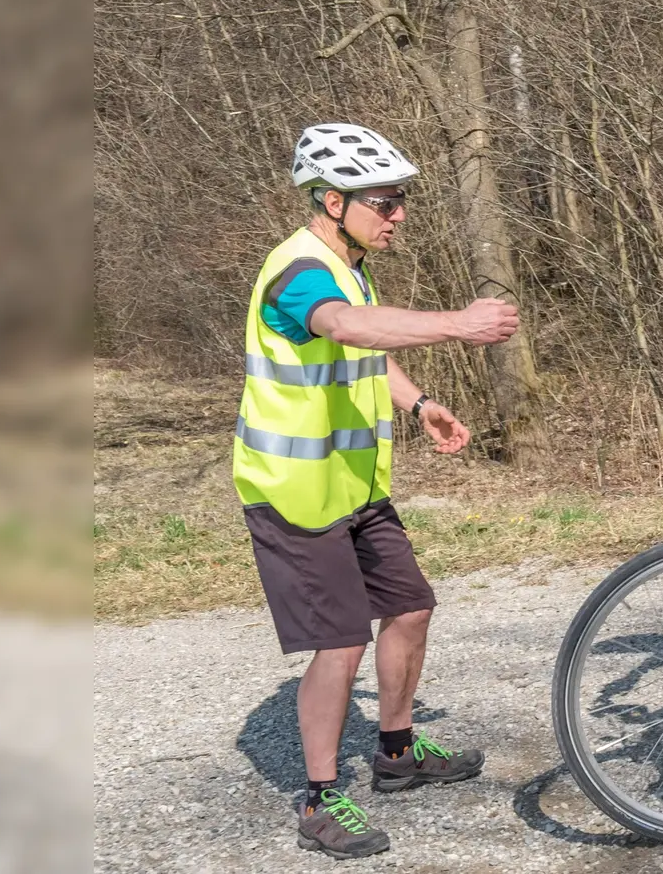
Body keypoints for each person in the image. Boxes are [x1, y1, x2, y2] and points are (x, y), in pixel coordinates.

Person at [233, 123, 520, 859]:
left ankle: (396, 753)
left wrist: (420, 403)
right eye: (384, 203)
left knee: (411, 606)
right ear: (333, 201)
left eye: (399, 202)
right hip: (295, 496)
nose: (398, 215)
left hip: (354, 487)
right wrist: (457, 325)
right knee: (339, 643)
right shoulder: (299, 271)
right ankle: (319, 800)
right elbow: (345, 326)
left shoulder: (349, 265)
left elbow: (361, 347)